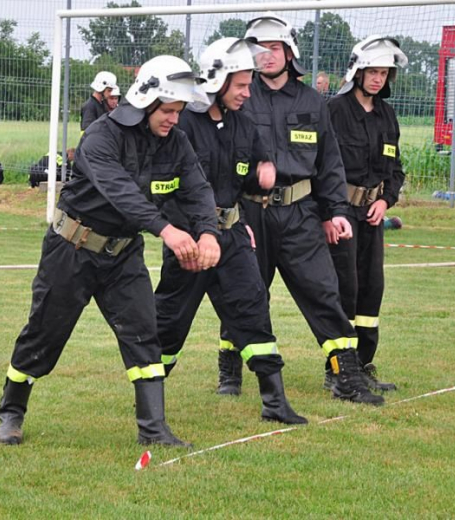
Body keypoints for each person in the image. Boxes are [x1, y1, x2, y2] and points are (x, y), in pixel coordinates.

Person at [0, 55, 220, 448]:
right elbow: (122, 194)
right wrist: (168, 230)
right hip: (72, 248)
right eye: (168, 110)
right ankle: (11, 411)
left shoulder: (177, 141)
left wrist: (208, 233)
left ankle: (153, 428)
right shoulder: (100, 137)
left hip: (123, 254)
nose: (174, 119)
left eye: (179, 111)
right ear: (146, 101)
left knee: (143, 331)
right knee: (44, 334)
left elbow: (197, 189)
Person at [232, 12, 383, 405]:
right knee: (246, 293)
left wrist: (335, 212)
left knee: (323, 292)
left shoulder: (313, 102)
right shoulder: (240, 98)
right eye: (259, 49)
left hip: (300, 214)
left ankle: (344, 376)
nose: (266, 56)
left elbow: (330, 163)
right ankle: (229, 368)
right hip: (250, 214)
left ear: (289, 52)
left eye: (274, 48)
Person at [154, 38, 307, 424]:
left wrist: (264, 175)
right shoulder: (182, 123)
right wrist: (176, 234)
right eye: (240, 85)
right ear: (216, 80)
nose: (247, 92)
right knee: (169, 324)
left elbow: (249, 179)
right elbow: (165, 188)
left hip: (232, 237)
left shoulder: (243, 125)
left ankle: (275, 402)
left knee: (254, 309)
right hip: (190, 242)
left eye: (249, 83)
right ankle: (150, 408)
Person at [326, 36, 408, 393]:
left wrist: (385, 201)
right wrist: (329, 213)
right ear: (356, 72)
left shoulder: (387, 115)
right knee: (346, 288)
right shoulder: (334, 110)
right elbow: (321, 166)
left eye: (384, 73)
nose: (378, 79)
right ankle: (338, 369)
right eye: (372, 71)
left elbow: (396, 168)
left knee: (371, 289)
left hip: (373, 215)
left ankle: (363, 363)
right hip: (342, 213)